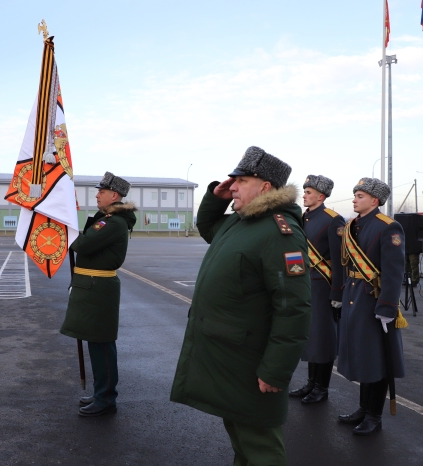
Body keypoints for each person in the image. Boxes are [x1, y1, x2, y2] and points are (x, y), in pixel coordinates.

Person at [170, 146, 312, 466]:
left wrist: (276, 370)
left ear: (265, 187)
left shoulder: (279, 233)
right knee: (241, 439)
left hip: (250, 362)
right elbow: (208, 227)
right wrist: (218, 197)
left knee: (260, 446)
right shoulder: (242, 222)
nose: (232, 185)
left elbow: (294, 307)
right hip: (228, 356)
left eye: (241, 180)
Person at [60, 172, 137, 417]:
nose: (97, 195)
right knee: (96, 344)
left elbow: (81, 245)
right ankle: (100, 393)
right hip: (92, 286)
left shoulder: (113, 223)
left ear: (113, 195)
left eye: (101, 192)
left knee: (102, 345)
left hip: (98, 289)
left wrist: (66, 224)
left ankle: (105, 398)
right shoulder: (107, 219)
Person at [337, 177, 405, 436]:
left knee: (377, 359)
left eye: (360, 196)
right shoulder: (352, 226)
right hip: (353, 297)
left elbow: (393, 271)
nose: (354, 199)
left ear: (374, 201)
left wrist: (387, 307)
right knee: (364, 357)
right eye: (355, 195)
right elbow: (347, 266)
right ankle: (363, 408)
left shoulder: (389, 227)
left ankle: (374, 415)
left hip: (373, 301)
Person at [289, 175, 344, 404]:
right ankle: (311, 384)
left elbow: (340, 261)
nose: (304, 195)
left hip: (323, 286)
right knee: (310, 337)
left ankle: (322, 387)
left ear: (321, 196)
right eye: (305, 191)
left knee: (323, 338)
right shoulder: (304, 218)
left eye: (309, 192)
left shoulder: (333, 221)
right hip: (305, 285)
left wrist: (337, 293)